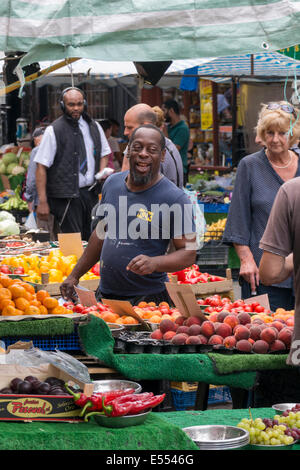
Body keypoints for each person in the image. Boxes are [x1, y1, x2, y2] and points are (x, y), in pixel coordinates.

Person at [60, 124, 196, 305]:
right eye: (137, 147)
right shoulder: (112, 184)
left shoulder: (176, 198)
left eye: (152, 149)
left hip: (149, 301)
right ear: (128, 151)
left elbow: (189, 253)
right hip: (106, 295)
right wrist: (74, 275)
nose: (143, 154)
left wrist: (155, 263)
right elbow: (100, 235)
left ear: (162, 156)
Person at [222, 101, 300, 312]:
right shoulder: (250, 166)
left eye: (282, 133)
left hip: (297, 272)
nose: (275, 139)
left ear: (293, 134)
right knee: (265, 337)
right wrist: (246, 261)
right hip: (262, 273)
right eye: (269, 133)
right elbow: (238, 220)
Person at [34, 86, 111, 241]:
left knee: (94, 239)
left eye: (79, 104)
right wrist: (42, 201)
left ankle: (93, 266)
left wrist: (101, 172)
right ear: (63, 105)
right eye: (71, 105)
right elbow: (41, 166)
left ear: (85, 104)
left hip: (90, 194)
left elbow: (104, 153)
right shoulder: (53, 130)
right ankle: (73, 266)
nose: (76, 108)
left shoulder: (94, 126)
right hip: (66, 197)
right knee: (72, 241)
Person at [121, 103, 183, 188]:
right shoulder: (168, 144)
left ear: (146, 125)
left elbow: (125, 186)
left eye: (130, 127)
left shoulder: (151, 150)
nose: (125, 132)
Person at [162, 99, 190, 185]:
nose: (163, 114)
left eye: (164, 110)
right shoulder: (169, 127)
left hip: (178, 171)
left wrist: (164, 132)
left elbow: (173, 150)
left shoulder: (182, 128)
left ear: (171, 111)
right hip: (168, 169)